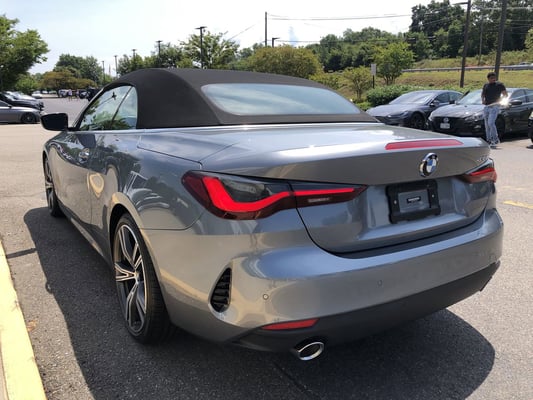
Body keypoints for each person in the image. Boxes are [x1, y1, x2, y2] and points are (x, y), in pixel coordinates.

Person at [481, 72, 507, 148]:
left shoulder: (499, 85)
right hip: (487, 106)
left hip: (494, 106)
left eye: (494, 78)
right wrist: (483, 100)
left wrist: (500, 100)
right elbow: (483, 94)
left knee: (491, 123)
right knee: (487, 125)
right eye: (491, 78)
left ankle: (495, 139)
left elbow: (505, 94)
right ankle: (488, 140)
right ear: (488, 79)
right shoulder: (486, 85)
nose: (493, 79)